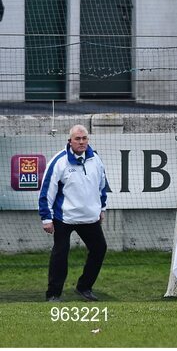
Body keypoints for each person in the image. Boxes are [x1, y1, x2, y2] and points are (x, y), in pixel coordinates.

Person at [39, 124, 110, 302]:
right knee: (60, 254)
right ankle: (53, 294)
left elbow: (102, 186)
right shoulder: (59, 162)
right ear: (70, 141)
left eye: (84, 138)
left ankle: (84, 287)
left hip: (89, 218)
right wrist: (46, 219)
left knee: (99, 249)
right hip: (64, 218)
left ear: (88, 140)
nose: (81, 142)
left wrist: (101, 209)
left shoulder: (96, 160)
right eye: (77, 139)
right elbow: (46, 191)